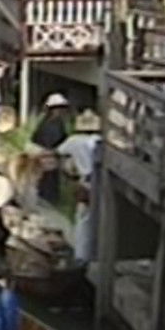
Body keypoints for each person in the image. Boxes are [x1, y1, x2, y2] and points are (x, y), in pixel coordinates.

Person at [56, 109, 101, 263]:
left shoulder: (74, 141)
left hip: (86, 181)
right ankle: (94, 254)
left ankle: (82, 256)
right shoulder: (100, 140)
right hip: (101, 181)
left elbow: (58, 152)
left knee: (83, 219)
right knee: (98, 219)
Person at [31, 93, 70, 205]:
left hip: (48, 155)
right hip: (47, 155)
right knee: (48, 181)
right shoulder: (51, 124)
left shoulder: (52, 122)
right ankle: (47, 203)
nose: (61, 112)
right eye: (59, 109)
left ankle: (47, 202)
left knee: (49, 181)